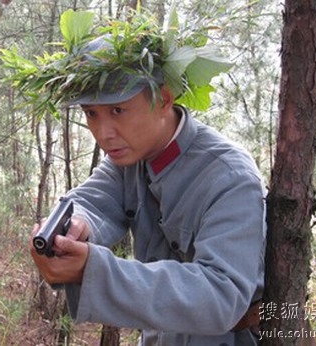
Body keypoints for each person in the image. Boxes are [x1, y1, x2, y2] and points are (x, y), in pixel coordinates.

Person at [17, 10, 266, 346]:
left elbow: (221, 296)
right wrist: (73, 226)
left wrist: (95, 271)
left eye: (118, 110)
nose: (104, 133)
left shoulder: (229, 177)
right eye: (91, 113)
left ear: (163, 99)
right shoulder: (129, 160)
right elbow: (93, 202)